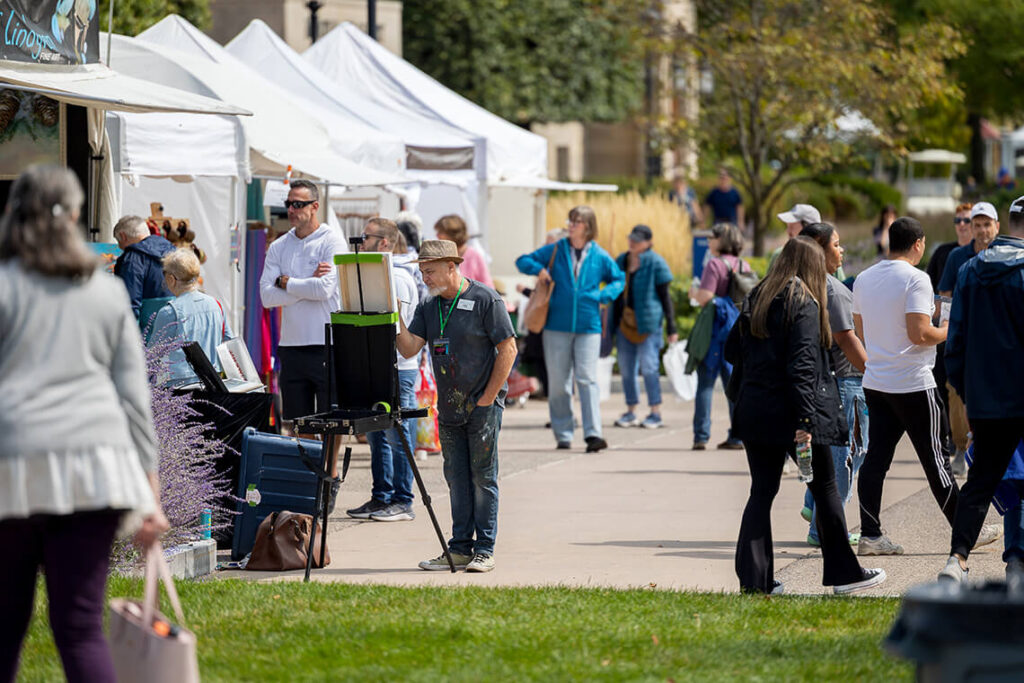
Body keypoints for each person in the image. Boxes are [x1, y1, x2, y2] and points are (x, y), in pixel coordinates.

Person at [0, 166, 168, 682]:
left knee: (4, 626)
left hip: (13, 463)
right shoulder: (105, 293)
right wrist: (151, 494)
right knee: (78, 627)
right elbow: (134, 401)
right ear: (75, 216)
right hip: (99, 466)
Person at [726, 236, 886, 595]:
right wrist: (806, 423)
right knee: (826, 488)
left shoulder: (759, 296)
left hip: (755, 410)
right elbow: (802, 367)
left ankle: (756, 581)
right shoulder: (804, 302)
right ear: (811, 266)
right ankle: (844, 574)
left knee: (762, 491)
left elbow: (732, 349)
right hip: (794, 414)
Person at [853, 216, 1000, 556]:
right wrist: (949, 328)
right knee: (936, 460)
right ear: (918, 244)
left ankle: (870, 534)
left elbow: (862, 330)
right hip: (913, 383)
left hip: (877, 381)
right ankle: (967, 531)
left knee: (876, 460)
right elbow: (920, 334)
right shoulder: (916, 279)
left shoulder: (864, 278)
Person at [396, 240, 516, 573]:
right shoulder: (428, 305)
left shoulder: (485, 299)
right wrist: (393, 318)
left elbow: (508, 349)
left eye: (430, 271)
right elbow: (408, 349)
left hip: (483, 406)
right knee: (456, 478)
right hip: (448, 409)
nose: (425, 279)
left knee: (482, 478)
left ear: (452, 266)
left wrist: (488, 398)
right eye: (421, 272)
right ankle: (460, 548)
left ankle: (485, 550)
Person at [940, 195, 1024, 583]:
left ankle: (957, 560)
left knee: (982, 481)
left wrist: (967, 391)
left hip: (987, 398)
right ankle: (1017, 561)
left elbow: (954, 342)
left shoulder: (970, 270)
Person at [258, 179, 346, 507]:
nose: (291, 210)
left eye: (298, 204)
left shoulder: (331, 241)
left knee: (330, 419)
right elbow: (266, 297)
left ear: (314, 206)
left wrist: (287, 284)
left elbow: (324, 291)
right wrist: (303, 285)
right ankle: (310, 476)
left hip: (326, 340)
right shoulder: (279, 246)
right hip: (292, 343)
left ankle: (330, 475)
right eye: (289, 204)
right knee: (298, 418)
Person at [515, 206, 625, 452]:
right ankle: (563, 433)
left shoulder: (599, 255)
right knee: (558, 383)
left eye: (576, 221)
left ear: (588, 226)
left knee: (587, 379)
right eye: (571, 220)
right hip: (555, 326)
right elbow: (522, 260)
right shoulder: (557, 249)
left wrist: (603, 294)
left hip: (589, 325)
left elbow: (619, 279)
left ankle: (593, 434)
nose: (571, 225)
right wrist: (539, 269)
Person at [796, 223, 868, 548]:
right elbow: (846, 338)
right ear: (818, 248)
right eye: (836, 245)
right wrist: (874, 371)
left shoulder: (800, 287)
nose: (842, 252)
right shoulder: (831, 290)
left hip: (825, 386)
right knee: (844, 461)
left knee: (832, 460)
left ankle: (817, 518)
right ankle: (824, 530)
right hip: (843, 385)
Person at [345, 218, 419, 522]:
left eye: (366, 237)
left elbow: (396, 325)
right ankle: (381, 496)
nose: (360, 242)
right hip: (376, 364)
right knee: (377, 435)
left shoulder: (398, 278)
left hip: (398, 368)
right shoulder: (375, 274)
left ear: (385, 243)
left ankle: (403, 500)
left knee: (397, 435)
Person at [688, 222, 748, 450]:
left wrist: (693, 292)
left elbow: (705, 297)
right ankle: (738, 435)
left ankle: (701, 435)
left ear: (721, 240)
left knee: (705, 384)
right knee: (734, 385)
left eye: (712, 237)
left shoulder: (714, 264)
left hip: (715, 331)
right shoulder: (743, 264)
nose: (709, 241)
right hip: (737, 329)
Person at [612, 224, 677, 429]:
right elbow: (614, 293)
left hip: (649, 324)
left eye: (637, 240)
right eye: (631, 238)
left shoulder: (656, 262)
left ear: (648, 242)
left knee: (649, 368)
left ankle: (655, 412)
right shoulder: (622, 260)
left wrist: (672, 328)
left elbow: (666, 297)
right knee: (626, 368)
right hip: (625, 323)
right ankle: (631, 411)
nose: (632, 243)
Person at [926, 202, 973, 476]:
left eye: (968, 220)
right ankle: (955, 446)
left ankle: (967, 447)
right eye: (960, 221)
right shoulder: (947, 253)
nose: (963, 225)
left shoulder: (991, 254)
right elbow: (936, 289)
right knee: (947, 391)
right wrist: (943, 320)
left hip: (977, 335)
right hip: (948, 334)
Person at [146, 248, 233, 388]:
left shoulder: (169, 312)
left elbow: (152, 357)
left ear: (171, 279)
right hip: (212, 384)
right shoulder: (216, 304)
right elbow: (228, 341)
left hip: (179, 386)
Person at [112, 213, 175, 318]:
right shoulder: (173, 251)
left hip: (147, 328)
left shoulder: (132, 259)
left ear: (123, 236)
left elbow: (129, 303)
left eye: (119, 241)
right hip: (175, 324)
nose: (119, 246)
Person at [434, 214, 494, 289]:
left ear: (453, 234)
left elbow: (488, 286)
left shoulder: (474, 256)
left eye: (441, 232)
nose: (437, 236)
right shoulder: (440, 256)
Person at [767, 203, 822, 271]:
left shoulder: (828, 258)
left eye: (792, 227)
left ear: (808, 228)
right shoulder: (779, 255)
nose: (788, 231)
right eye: (788, 226)